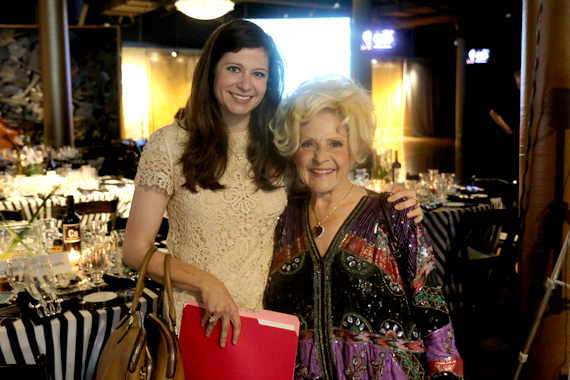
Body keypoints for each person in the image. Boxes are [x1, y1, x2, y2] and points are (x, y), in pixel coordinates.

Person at [123, 19, 422, 349]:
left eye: (258, 74)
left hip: (270, 323)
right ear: (211, 72)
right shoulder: (169, 145)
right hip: (197, 318)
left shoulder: (279, 144)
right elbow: (135, 251)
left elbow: (330, 190)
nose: (246, 84)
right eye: (234, 69)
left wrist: (388, 202)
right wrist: (207, 283)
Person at [264, 76, 463, 379]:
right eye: (308, 144)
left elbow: (431, 307)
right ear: (293, 150)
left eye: (335, 143)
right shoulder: (281, 219)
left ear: (355, 150)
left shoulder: (393, 215)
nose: (321, 157)